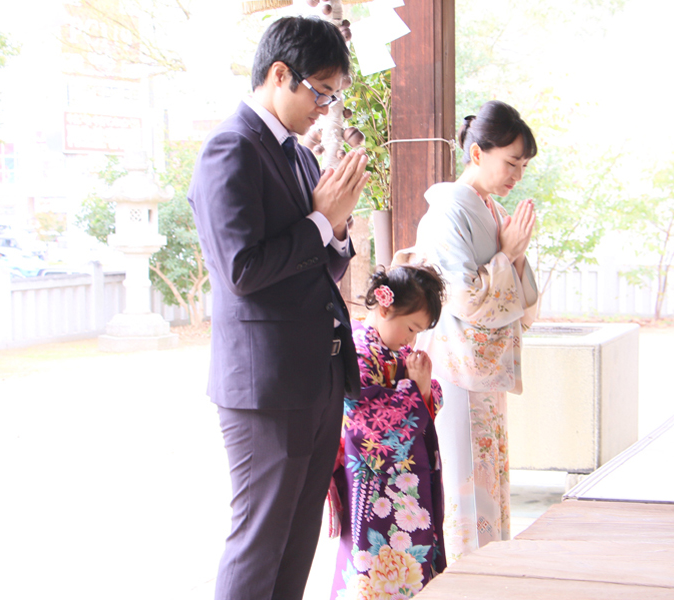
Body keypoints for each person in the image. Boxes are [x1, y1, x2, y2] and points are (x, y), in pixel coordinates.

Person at [187, 16, 369, 600]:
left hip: (315, 375)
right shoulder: (230, 149)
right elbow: (241, 270)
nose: (326, 107)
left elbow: (327, 264)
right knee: (261, 538)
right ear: (279, 74)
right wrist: (320, 221)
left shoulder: (298, 155)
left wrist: (336, 229)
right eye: (320, 91)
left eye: (333, 95)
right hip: (265, 385)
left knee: (300, 533)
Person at [395, 100, 539, 563]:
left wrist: (511, 255)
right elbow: (464, 298)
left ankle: (489, 575)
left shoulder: (491, 211)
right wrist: (508, 256)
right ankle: (464, 579)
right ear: (477, 153)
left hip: (483, 367)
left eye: (523, 165)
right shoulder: (448, 211)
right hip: (455, 365)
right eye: (510, 162)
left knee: (486, 476)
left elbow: (524, 302)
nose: (517, 174)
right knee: (461, 476)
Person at [329, 265, 449, 600]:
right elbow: (363, 421)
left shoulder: (399, 353)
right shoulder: (356, 351)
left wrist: (422, 389)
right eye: (410, 328)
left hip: (406, 487)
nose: (411, 339)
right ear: (384, 308)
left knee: (415, 559)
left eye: (417, 333)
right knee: (369, 568)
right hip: (371, 489)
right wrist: (414, 390)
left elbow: (432, 394)